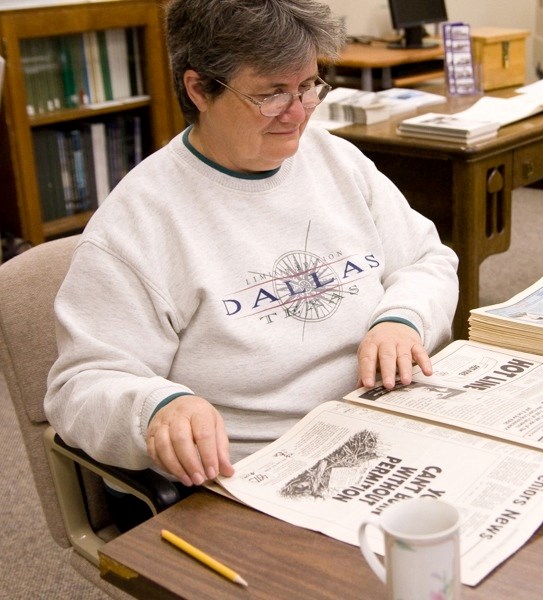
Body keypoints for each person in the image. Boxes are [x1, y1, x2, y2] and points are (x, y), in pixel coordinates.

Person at [44, 0, 458, 514]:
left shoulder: (335, 159)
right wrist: (156, 409)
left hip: (389, 420)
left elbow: (427, 259)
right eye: (272, 94)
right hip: (260, 470)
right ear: (199, 90)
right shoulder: (140, 222)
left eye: (308, 86)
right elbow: (79, 387)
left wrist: (403, 318)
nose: (300, 110)